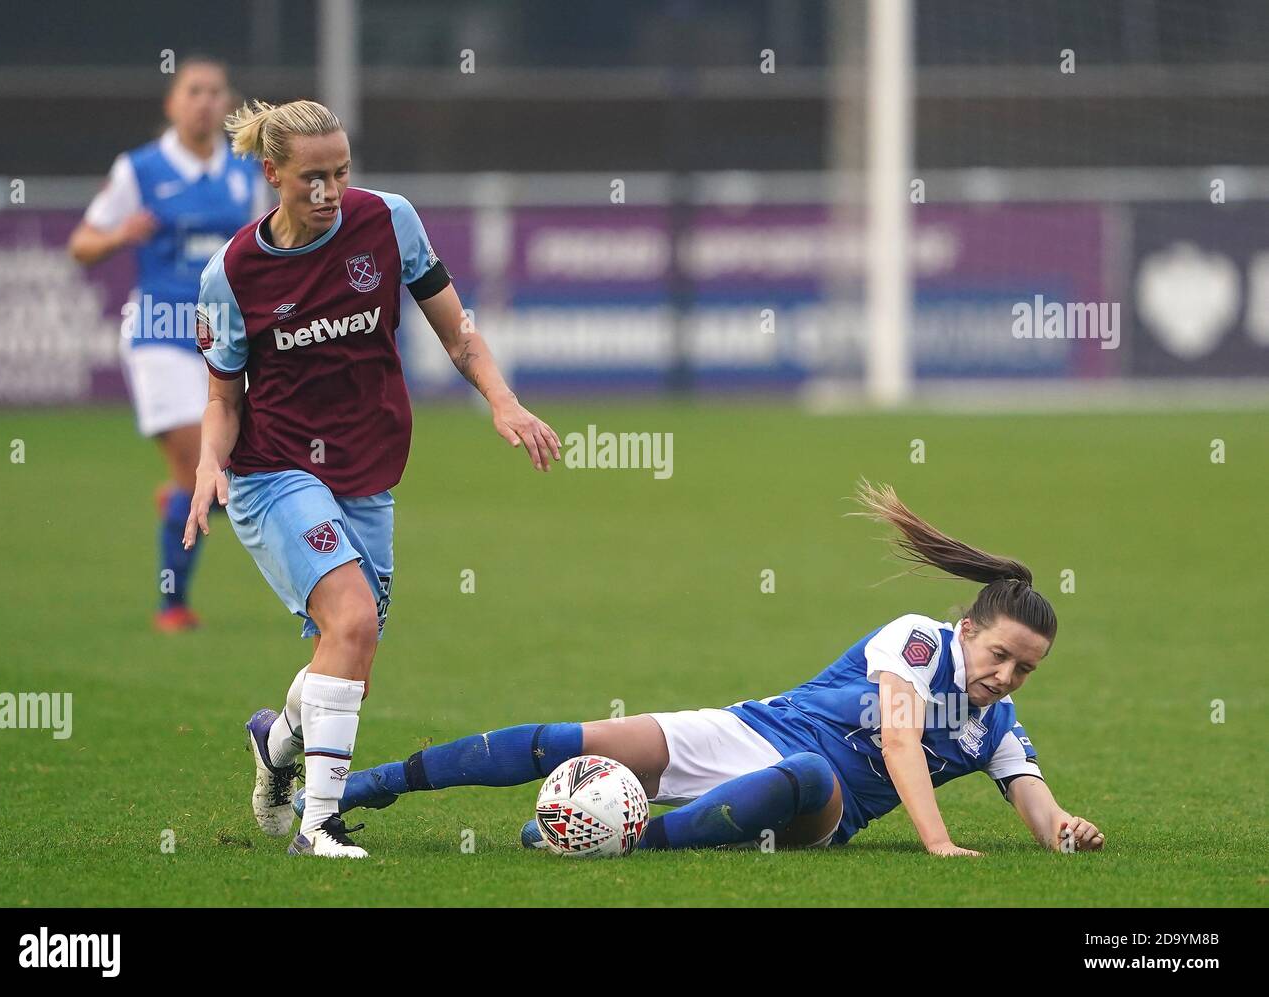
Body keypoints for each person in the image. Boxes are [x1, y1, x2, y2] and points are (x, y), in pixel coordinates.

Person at [298, 481, 1105, 856]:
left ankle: (626, 838)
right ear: (968, 629)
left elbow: (1036, 802)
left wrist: (1064, 829)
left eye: (1026, 669)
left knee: (802, 773)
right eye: (1000, 653)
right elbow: (899, 741)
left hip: (816, 803)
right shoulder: (919, 642)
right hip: (745, 728)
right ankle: (356, 789)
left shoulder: (995, 726)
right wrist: (938, 843)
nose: (1007, 675)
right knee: (566, 738)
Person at [185, 98, 561, 859]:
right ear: (271, 174)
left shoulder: (389, 221)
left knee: (350, 652)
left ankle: (276, 743)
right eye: (310, 178)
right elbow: (225, 397)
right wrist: (205, 464)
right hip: (273, 470)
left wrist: (503, 401)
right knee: (352, 621)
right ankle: (317, 827)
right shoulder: (231, 273)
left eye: (340, 174)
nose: (328, 192)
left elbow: (458, 333)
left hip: (367, 469)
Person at [70, 55, 267, 632]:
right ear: (172, 103)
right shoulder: (141, 169)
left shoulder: (245, 171)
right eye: (194, 90)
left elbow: (260, 247)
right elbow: (81, 244)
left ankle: (177, 508)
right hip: (160, 332)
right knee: (202, 468)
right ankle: (171, 606)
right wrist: (117, 235)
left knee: (237, 474)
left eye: (215, 91)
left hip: (224, 337)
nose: (205, 100)